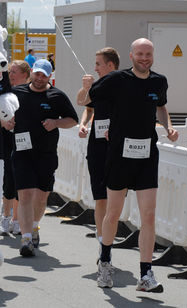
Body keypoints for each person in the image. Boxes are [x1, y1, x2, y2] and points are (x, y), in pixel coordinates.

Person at [80, 38, 178, 292]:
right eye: (140, 54)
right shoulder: (116, 80)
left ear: (153, 55)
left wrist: (167, 126)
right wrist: (86, 87)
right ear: (131, 55)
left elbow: (161, 106)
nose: (144, 58)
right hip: (120, 154)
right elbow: (84, 101)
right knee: (113, 213)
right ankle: (105, 262)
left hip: (147, 155)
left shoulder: (159, 81)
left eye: (148, 54)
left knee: (149, 215)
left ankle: (146, 275)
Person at [11, 59, 78, 257]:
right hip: (22, 152)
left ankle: (34, 226)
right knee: (25, 195)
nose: (40, 78)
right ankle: (25, 238)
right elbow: (3, 113)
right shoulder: (17, 93)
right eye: (37, 74)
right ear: (31, 72)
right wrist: (6, 122)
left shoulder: (56, 96)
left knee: (41, 197)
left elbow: (72, 120)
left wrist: (56, 122)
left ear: (50, 76)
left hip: (46, 154)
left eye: (44, 75)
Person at [76, 47, 119, 252]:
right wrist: (83, 123)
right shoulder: (97, 86)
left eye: (98, 64)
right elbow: (84, 104)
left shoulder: (123, 84)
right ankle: (103, 242)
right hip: (97, 148)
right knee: (100, 197)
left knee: (114, 199)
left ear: (110, 65)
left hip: (118, 149)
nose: (95, 68)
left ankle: (108, 236)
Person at [0, 60, 31, 236]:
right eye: (10, 71)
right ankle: (5, 217)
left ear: (25, 75)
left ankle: (17, 219)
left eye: (14, 72)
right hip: (6, 139)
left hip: (25, 141)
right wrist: (3, 122)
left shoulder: (31, 93)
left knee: (21, 181)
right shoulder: (4, 92)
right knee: (8, 179)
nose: (10, 75)